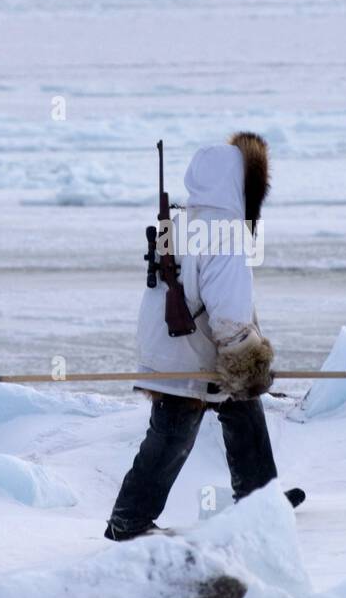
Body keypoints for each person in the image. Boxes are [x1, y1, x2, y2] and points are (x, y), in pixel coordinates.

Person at [105, 132, 301, 541]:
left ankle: (259, 499)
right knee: (172, 434)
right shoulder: (225, 233)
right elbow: (229, 310)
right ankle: (129, 520)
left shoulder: (184, 222)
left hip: (172, 343)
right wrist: (244, 359)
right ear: (239, 183)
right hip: (193, 352)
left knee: (242, 410)